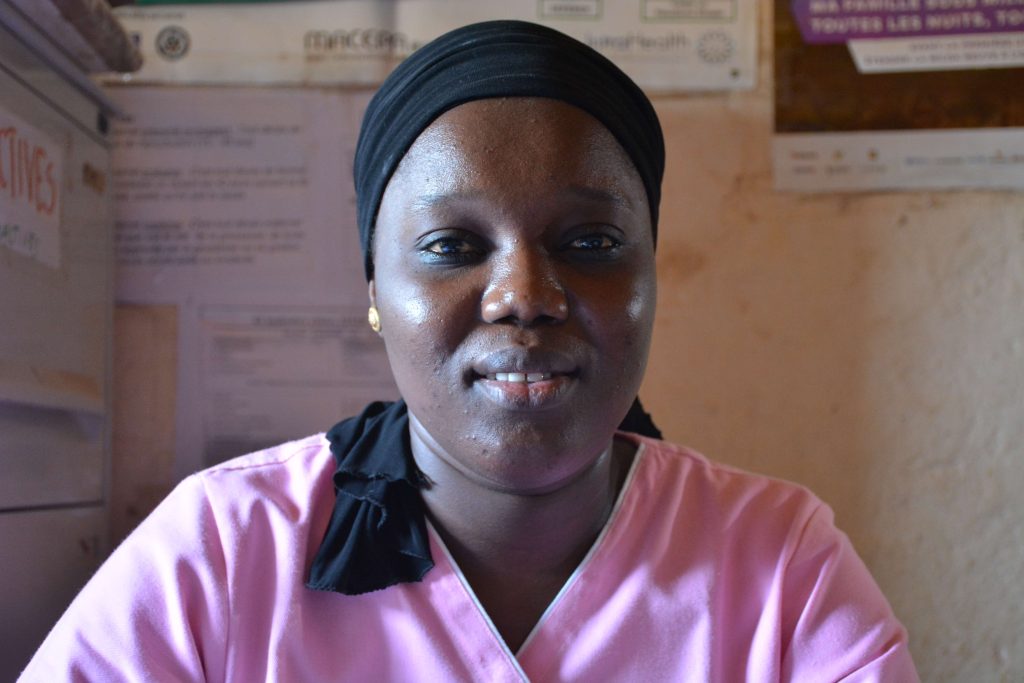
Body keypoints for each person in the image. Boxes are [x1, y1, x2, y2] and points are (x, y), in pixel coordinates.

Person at [19, 20, 918, 682]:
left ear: (651, 278)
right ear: (375, 290)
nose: (524, 295)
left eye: (591, 242)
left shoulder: (783, 569)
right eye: (451, 246)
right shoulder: (220, 552)